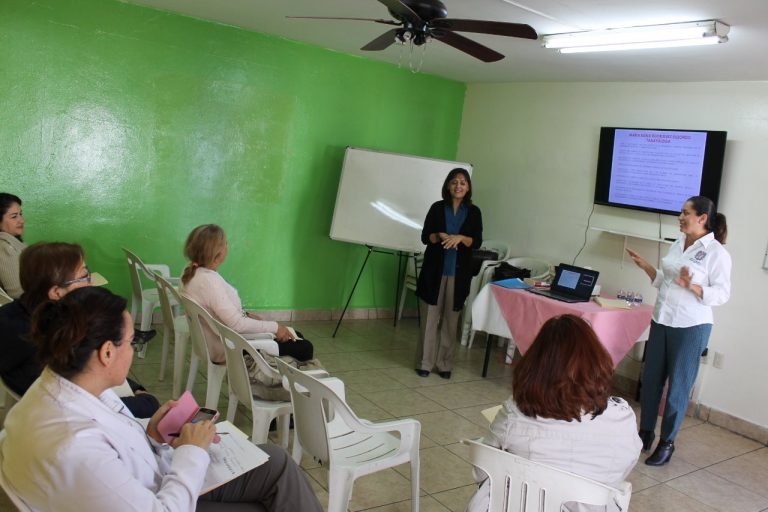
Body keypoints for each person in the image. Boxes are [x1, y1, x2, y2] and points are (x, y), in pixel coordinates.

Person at [0, 286, 323, 511]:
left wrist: (151, 434)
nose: (135, 350)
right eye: (130, 342)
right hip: (161, 497)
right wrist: (192, 452)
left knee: (274, 461)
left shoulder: (59, 385)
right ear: (107, 353)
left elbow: (114, 440)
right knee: (271, 499)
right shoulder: (75, 445)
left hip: (149, 479)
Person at [467, 315, 641, 512]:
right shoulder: (620, 418)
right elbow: (621, 469)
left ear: (536, 366)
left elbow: (483, 470)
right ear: (596, 362)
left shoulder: (514, 412)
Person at [626, 195, 731, 466]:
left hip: (691, 326)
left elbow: (721, 294)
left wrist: (693, 287)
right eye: (680, 213)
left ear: (702, 218)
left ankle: (667, 442)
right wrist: (647, 267)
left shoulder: (716, 252)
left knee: (677, 389)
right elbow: (666, 282)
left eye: (686, 213)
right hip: (662, 319)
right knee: (650, 382)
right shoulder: (676, 243)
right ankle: (645, 433)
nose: (680, 218)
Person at [0, 242, 159, 418]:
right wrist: (146, 402)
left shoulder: (28, 315)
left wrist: (135, 388)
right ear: (56, 292)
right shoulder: (49, 338)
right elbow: (81, 405)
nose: (90, 282)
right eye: (84, 276)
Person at [180, 224, 313, 364]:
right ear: (217, 253)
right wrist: (276, 327)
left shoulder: (190, 271)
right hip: (230, 346)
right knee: (305, 347)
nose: (227, 246)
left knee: (296, 336)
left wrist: (247, 315)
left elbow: (222, 310)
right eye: (225, 243)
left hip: (220, 339)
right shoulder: (208, 281)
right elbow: (236, 324)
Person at [415, 168, 482, 379]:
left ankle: (444, 364)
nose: (458, 186)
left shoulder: (474, 212)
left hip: (458, 273)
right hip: (434, 270)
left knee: (451, 320)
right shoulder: (437, 208)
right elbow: (426, 237)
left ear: (468, 187)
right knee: (430, 318)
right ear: (447, 185)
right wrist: (440, 235)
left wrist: (460, 238)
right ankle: (424, 362)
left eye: (463, 182)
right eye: (454, 182)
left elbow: (476, 241)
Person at [0, 192, 26, 299]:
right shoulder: (6, 247)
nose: (21, 221)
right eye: (14, 216)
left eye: (20, 214)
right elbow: (18, 294)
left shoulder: (12, 242)